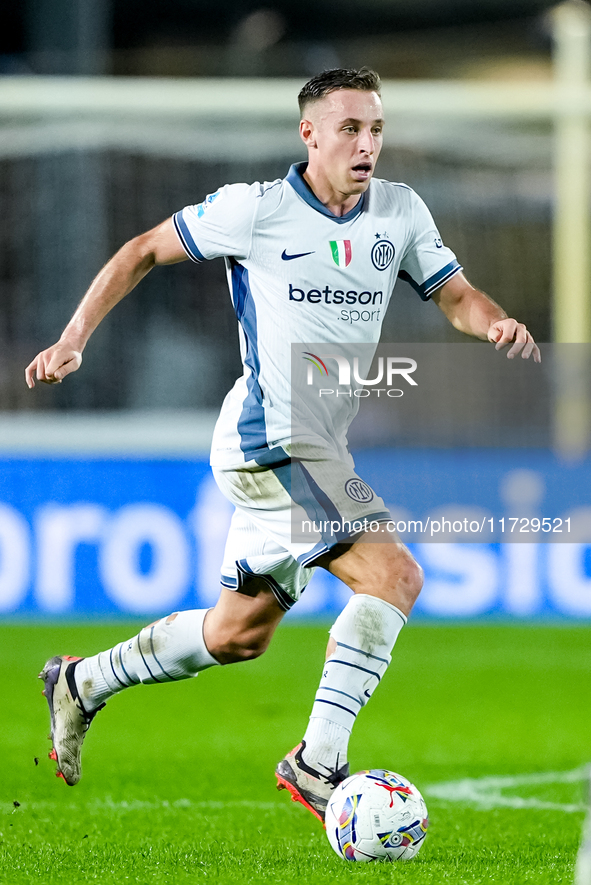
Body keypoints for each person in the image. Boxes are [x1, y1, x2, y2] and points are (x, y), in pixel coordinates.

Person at [25, 68, 541, 823]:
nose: (366, 145)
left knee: (237, 636)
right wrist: (73, 339)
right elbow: (140, 249)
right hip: (271, 437)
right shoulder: (254, 210)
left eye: (375, 129)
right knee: (393, 575)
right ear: (309, 134)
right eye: (349, 130)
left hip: (321, 444)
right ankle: (317, 763)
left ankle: (82, 682)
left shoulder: (398, 210)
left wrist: (493, 321)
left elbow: (454, 294)